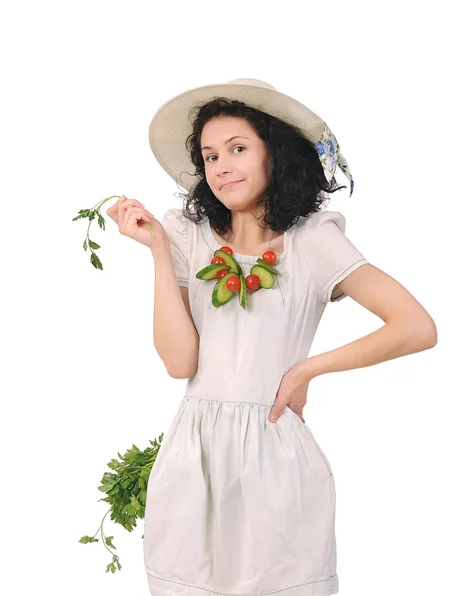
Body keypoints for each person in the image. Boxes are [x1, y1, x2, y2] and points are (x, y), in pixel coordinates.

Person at [107, 78, 437, 596]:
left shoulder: (312, 240)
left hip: (275, 457)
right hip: (192, 457)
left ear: (275, 156)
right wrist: (156, 252)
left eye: (238, 148)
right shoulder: (186, 237)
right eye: (210, 155)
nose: (221, 166)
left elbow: (417, 326)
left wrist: (308, 369)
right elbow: (179, 363)